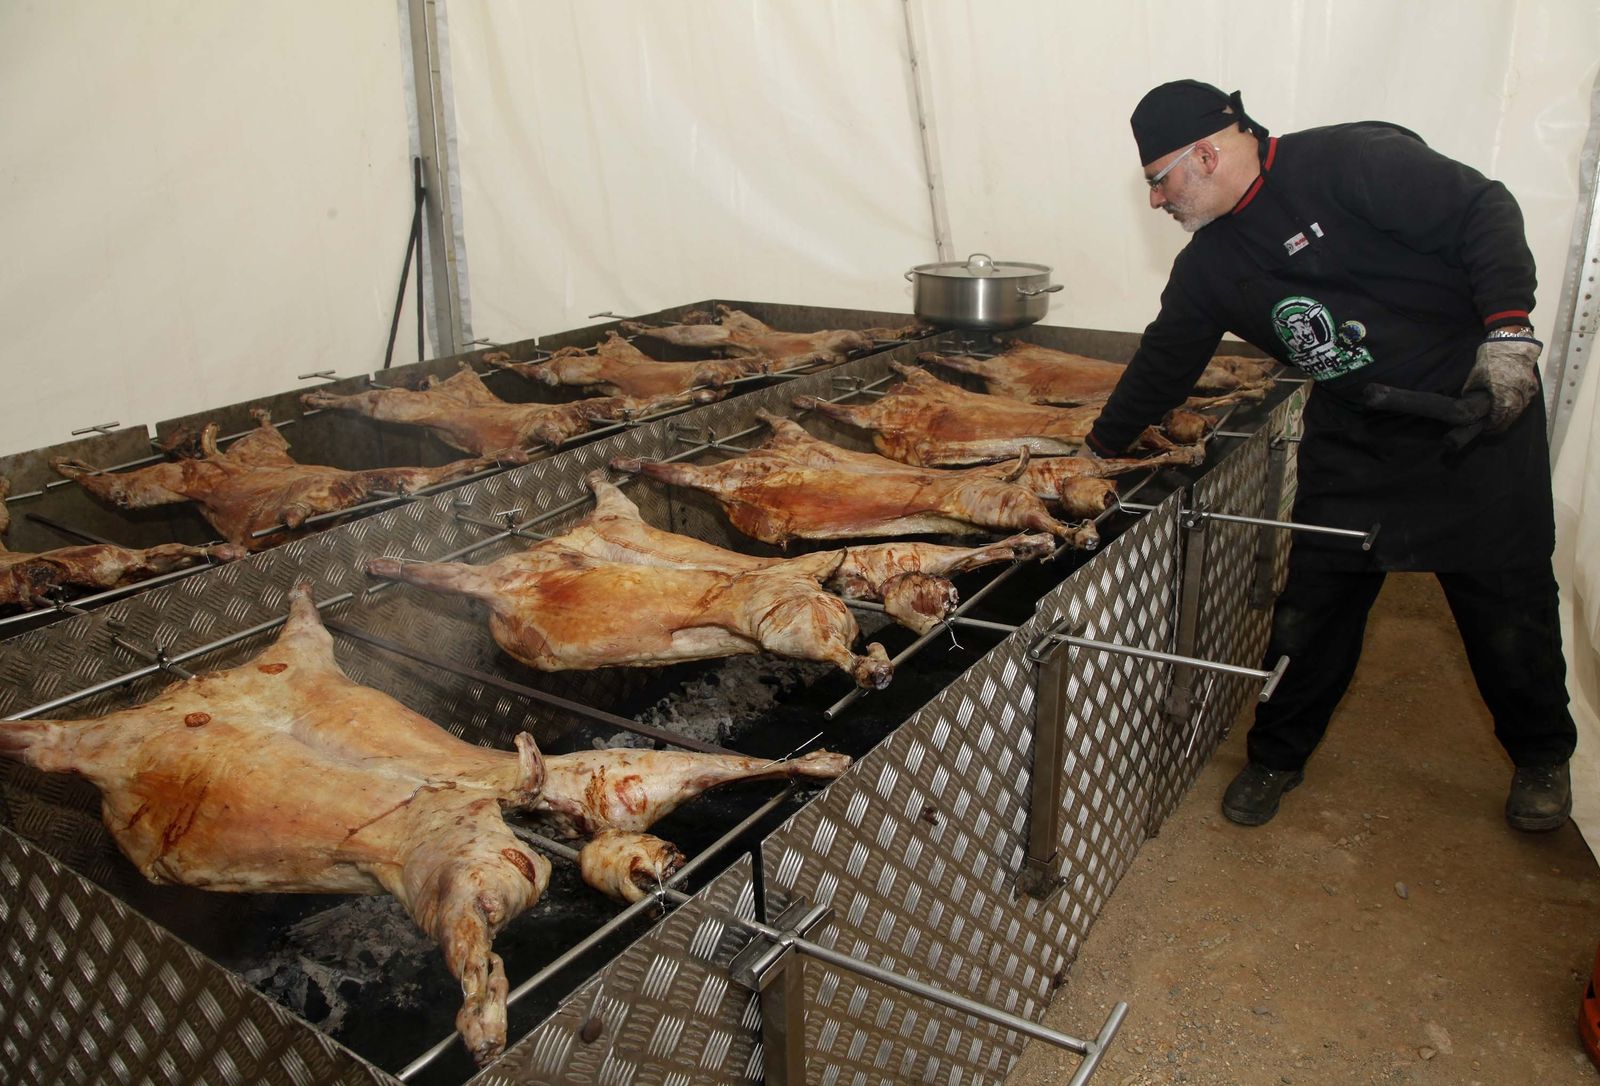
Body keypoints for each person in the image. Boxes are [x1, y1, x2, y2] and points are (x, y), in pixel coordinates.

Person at [1084, 80, 1576, 830]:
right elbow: (1165, 361)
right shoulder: (1211, 266)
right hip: (1358, 436)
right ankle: (1276, 756)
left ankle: (1542, 757)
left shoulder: (1350, 162)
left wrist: (1509, 331)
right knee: (1312, 613)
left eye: (1159, 180)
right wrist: (1096, 451)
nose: (1157, 201)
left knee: (1508, 613)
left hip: (1473, 417)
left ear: (1208, 152)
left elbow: (1484, 208)